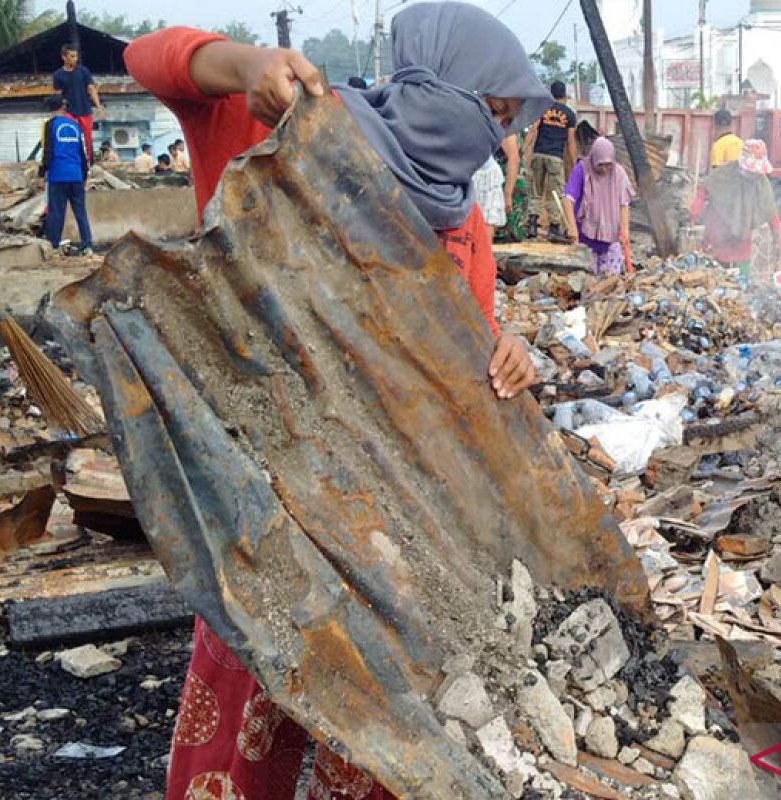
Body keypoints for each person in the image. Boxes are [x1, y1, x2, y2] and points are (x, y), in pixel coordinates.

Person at [124, 5, 547, 797]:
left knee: (376, 738)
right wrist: (245, 62)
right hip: (263, 515)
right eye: (486, 109)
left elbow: (466, 353)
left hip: (394, 535)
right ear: (430, 82)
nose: (491, 136)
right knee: (252, 725)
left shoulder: (466, 225)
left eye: (501, 121)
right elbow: (149, 60)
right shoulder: (284, 133)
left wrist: (508, 354)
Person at [690, 138, 781, 276]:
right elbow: (704, 188)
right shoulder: (725, 172)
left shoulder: (761, 182)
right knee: (712, 279)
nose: (753, 174)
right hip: (716, 237)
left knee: (740, 282)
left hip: (741, 243)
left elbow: (770, 209)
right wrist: (694, 213)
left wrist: (778, 237)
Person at [562, 138, 634, 275]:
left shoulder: (619, 174)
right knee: (587, 283)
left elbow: (624, 204)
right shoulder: (582, 169)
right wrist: (571, 228)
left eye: (608, 165)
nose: (605, 169)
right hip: (584, 238)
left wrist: (625, 230)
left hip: (610, 239)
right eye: (600, 165)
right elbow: (567, 199)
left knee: (609, 283)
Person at [39, 94, 92, 256]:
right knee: (80, 212)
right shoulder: (75, 126)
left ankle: (54, 246)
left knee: (56, 212)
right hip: (76, 175)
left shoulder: (50, 125)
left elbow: (47, 151)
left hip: (57, 174)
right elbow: (83, 153)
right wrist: (84, 176)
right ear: (62, 107)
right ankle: (87, 246)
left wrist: (41, 174)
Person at [524, 80, 577, 240]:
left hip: (539, 154)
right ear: (565, 96)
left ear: (551, 94)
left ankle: (532, 225)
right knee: (555, 192)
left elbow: (533, 130)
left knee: (535, 190)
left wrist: (524, 150)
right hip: (555, 157)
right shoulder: (569, 114)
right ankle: (554, 228)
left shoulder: (542, 109)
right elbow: (570, 141)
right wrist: (574, 164)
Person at [52, 43, 103, 161]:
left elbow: (91, 88)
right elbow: (57, 94)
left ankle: (89, 162)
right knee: (71, 136)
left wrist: (98, 105)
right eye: (72, 56)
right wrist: (58, 110)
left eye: (76, 56)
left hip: (85, 110)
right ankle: (72, 160)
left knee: (87, 138)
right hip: (69, 112)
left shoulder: (83, 71)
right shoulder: (58, 75)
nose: (75, 59)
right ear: (64, 57)